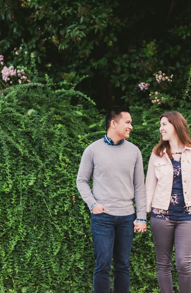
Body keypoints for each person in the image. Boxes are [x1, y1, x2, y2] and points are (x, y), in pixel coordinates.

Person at [76, 106, 147, 293]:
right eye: (128, 122)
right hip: (103, 217)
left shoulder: (134, 151)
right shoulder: (92, 150)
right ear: (113, 123)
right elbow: (81, 180)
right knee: (103, 266)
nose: (131, 126)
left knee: (123, 266)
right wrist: (93, 204)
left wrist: (141, 217)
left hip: (127, 217)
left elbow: (140, 186)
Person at [145, 111, 191, 293]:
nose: (161, 128)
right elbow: (149, 187)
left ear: (176, 125)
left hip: (186, 215)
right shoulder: (156, 154)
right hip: (160, 215)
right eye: (160, 125)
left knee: (183, 262)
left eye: (164, 124)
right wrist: (142, 216)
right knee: (163, 263)